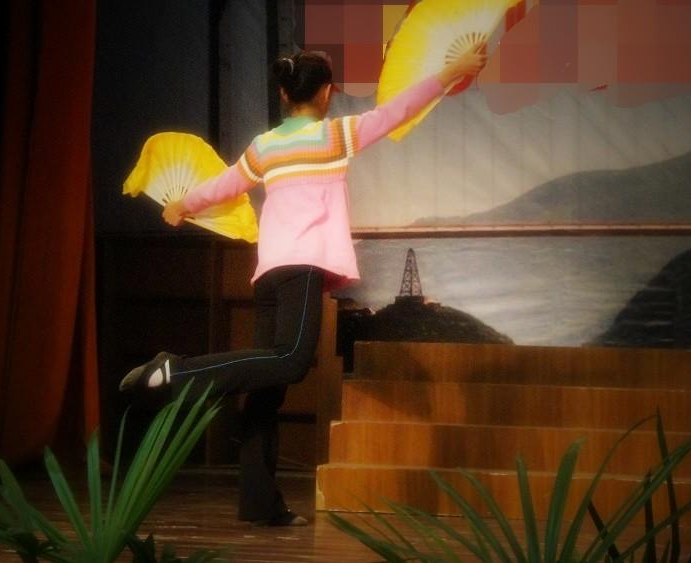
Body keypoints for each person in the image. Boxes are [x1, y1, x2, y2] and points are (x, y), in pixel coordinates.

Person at [119, 44, 486, 526]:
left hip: (270, 270)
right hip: (302, 265)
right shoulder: (334, 136)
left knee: (267, 386)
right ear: (327, 93)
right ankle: (175, 372)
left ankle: (259, 503)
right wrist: (449, 72)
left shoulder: (264, 146)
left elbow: (226, 184)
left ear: (283, 94)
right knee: (291, 361)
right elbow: (396, 111)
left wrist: (184, 204)